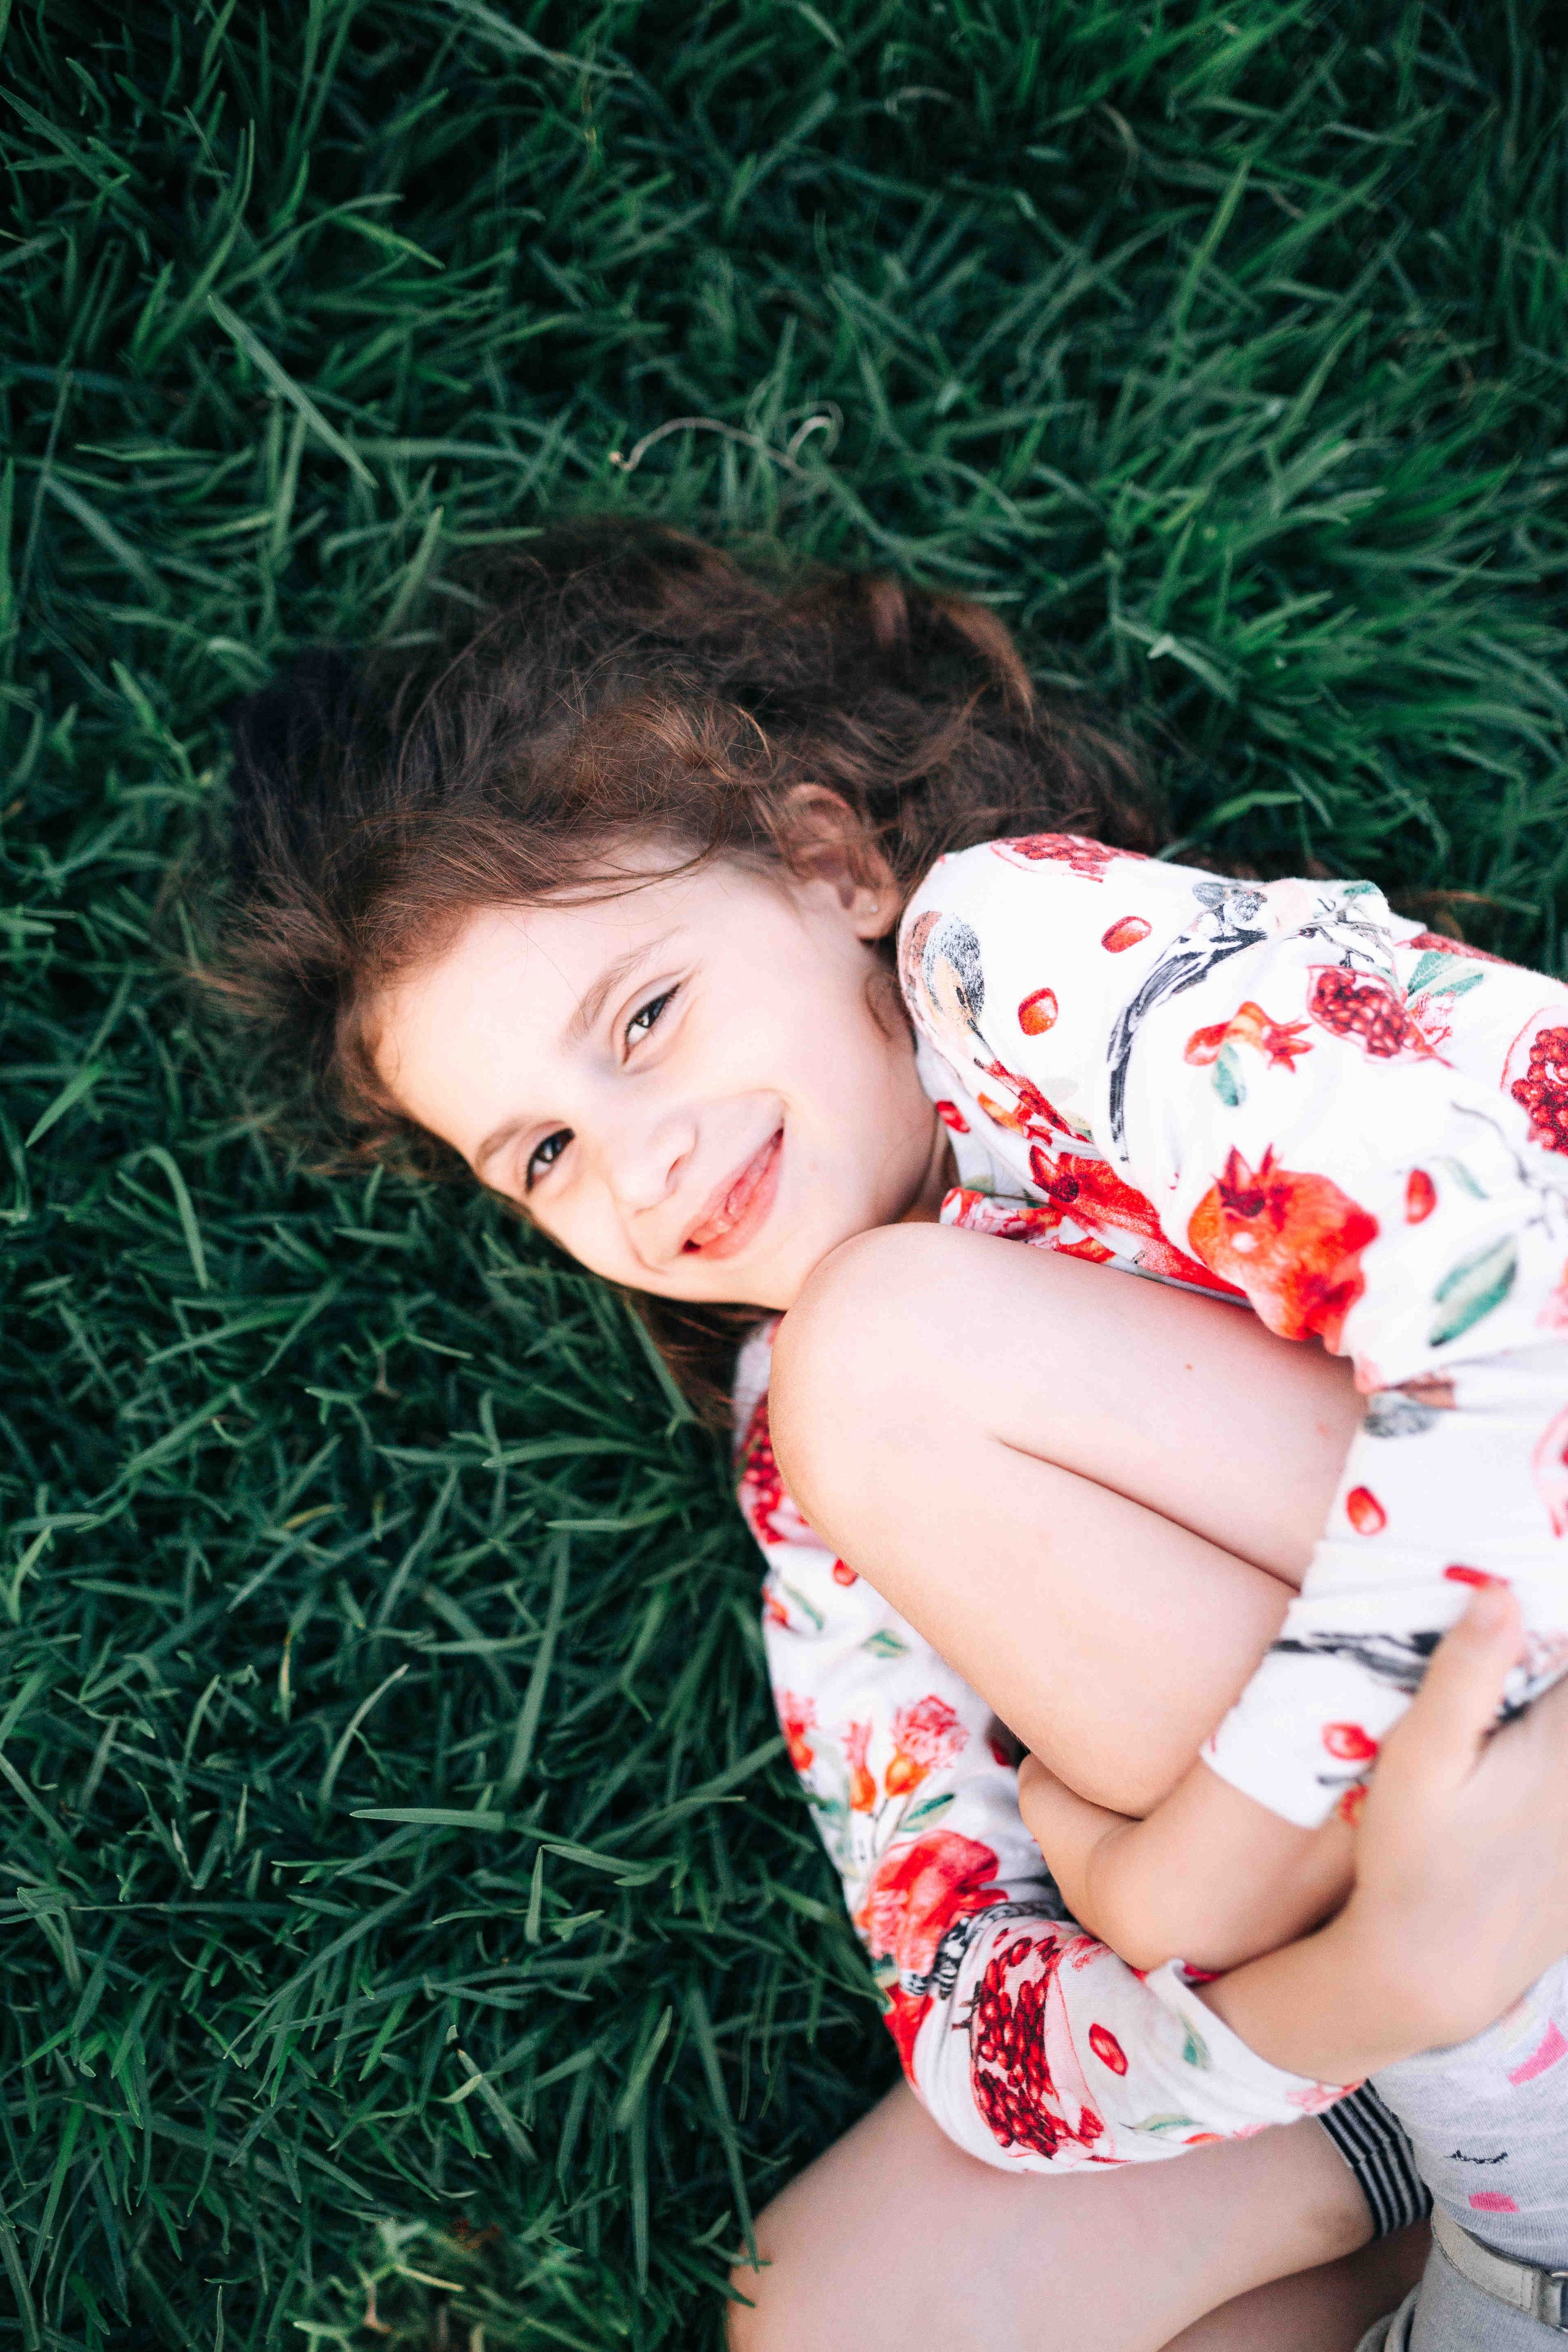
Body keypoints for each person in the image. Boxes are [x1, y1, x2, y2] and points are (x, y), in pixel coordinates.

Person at [217, 524, 1568, 2350]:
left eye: (645, 1016)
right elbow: (967, 2020)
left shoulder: (1021, 969)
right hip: (1472, 2081)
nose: (641, 1164)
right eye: (541, 1156)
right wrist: (1351, 1988)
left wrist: (1200, 1860)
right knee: (829, 2310)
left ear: (830, 861)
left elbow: (1507, 1298)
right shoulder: (809, 1454)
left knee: (888, 1369)